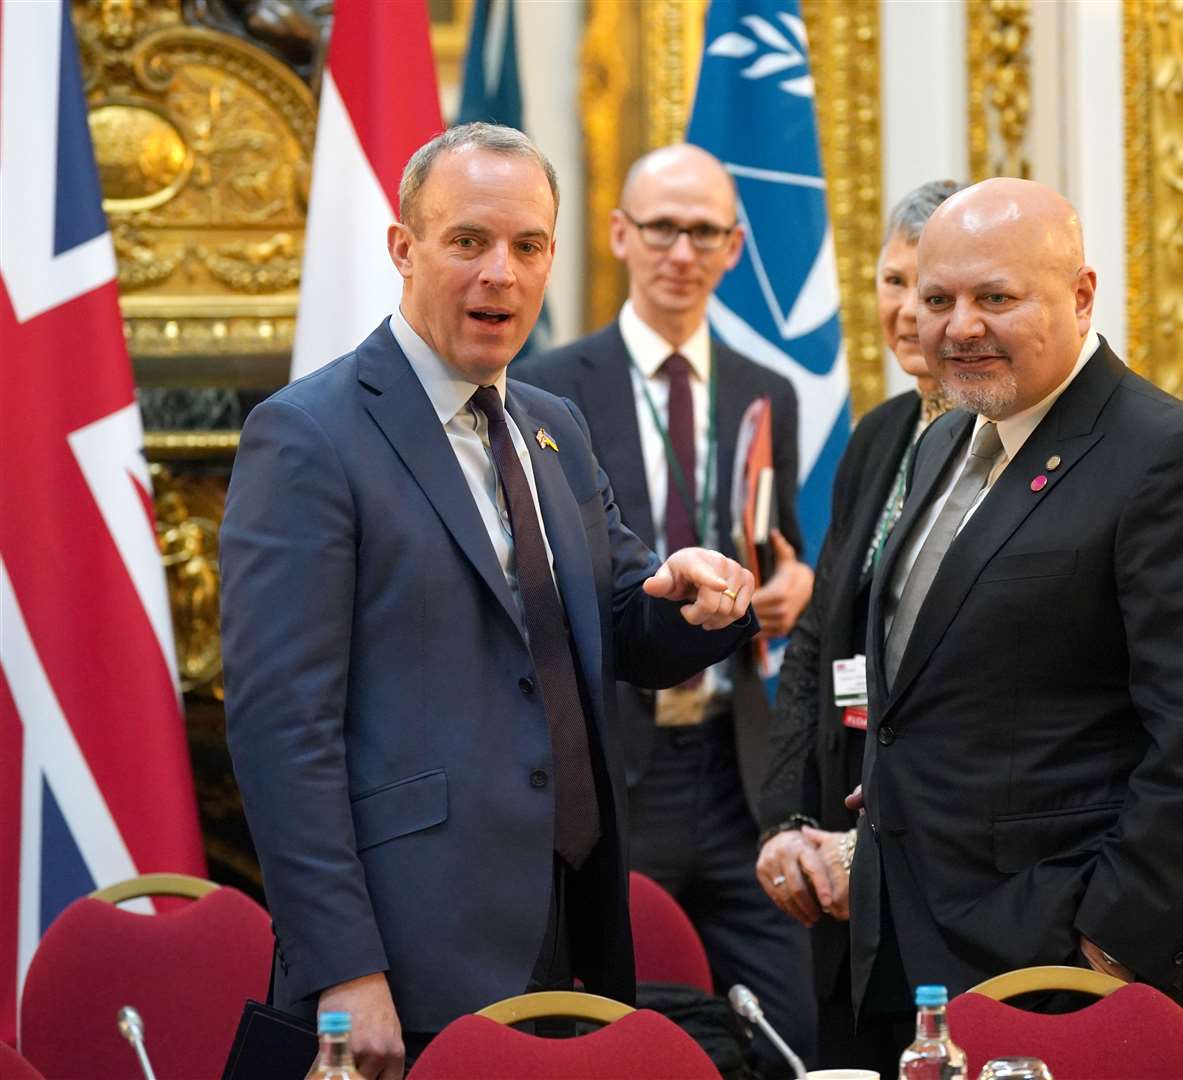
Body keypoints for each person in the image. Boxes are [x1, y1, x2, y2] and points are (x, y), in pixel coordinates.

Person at [220, 123, 759, 1080]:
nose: (500, 275)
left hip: (572, 919)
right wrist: (346, 967)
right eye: (468, 241)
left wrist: (693, 598)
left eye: (528, 245)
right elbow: (279, 729)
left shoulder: (552, 425)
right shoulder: (307, 436)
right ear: (403, 248)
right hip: (411, 947)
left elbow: (618, 615)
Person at [847, 178, 1183, 1070]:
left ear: (1081, 296)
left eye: (995, 298)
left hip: (1063, 959)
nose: (959, 326)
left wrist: (1107, 949)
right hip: (914, 942)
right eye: (938, 300)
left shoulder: (1175, 463)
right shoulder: (941, 440)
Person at [517, 143, 818, 1074]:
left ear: (733, 247)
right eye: (661, 229)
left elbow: (781, 537)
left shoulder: (769, 389)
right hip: (617, 760)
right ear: (619, 236)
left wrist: (795, 580)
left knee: (786, 1032)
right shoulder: (545, 388)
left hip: (739, 768)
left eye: (704, 233)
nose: (681, 252)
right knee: (623, 1034)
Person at [754, 179, 961, 1069]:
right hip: (841, 882)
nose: (909, 311)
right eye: (891, 281)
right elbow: (816, 642)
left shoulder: (1013, 444)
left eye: (935, 288)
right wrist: (788, 822)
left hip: (945, 878)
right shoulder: (878, 438)